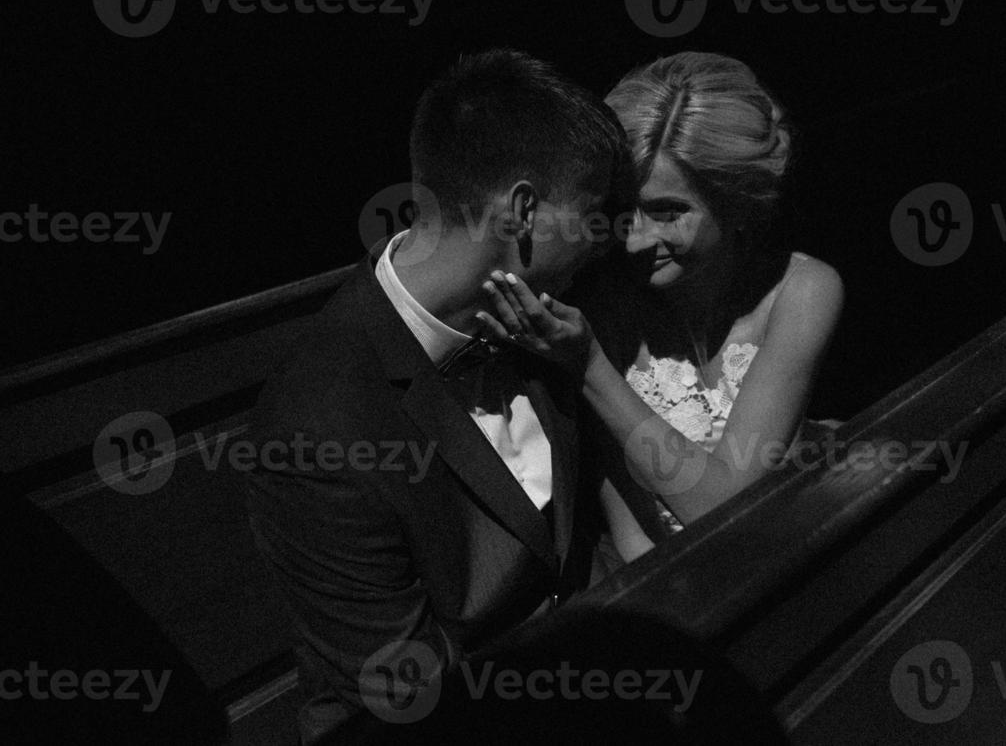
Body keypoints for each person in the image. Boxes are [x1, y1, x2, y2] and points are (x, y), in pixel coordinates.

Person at [245, 48, 625, 743]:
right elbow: (409, 698)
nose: (604, 244)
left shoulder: (542, 319)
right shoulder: (317, 426)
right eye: (594, 216)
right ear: (523, 212)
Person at [477, 51, 844, 563]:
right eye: (626, 213)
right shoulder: (595, 303)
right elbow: (634, 541)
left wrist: (590, 368)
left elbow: (733, 505)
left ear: (735, 202)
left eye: (669, 212)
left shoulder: (803, 290)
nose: (634, 242)